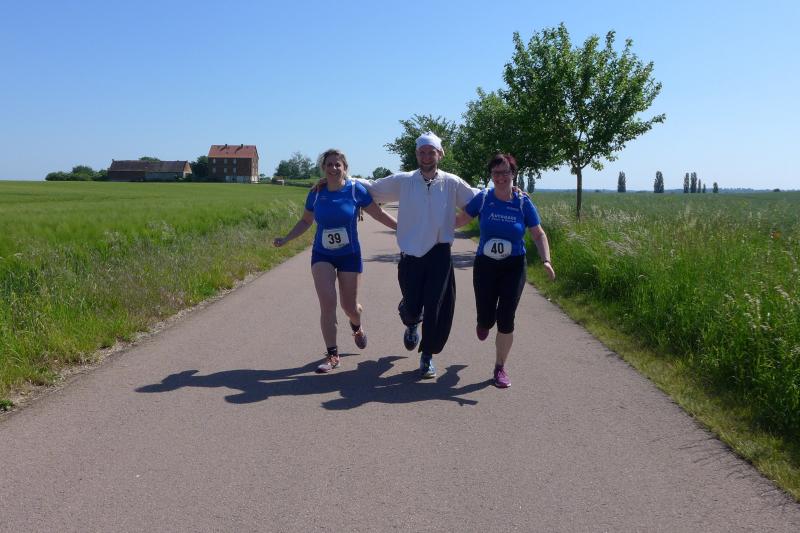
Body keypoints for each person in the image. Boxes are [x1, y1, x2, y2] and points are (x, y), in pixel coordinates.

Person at [354, 132, 477, 379]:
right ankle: (411, 323)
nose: (426, 156)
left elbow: (479, 198)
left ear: (440, 154)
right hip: (411, 254)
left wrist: (510, 190)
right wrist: (340, 178)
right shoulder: (404, 181)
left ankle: (427, 356)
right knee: (412, 306)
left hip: (439, 253)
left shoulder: (452, 182)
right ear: (417, 154)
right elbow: (372, 187)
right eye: (422, 152)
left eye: (431, 152)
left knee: (436, 307)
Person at [273, 149, 397, 373]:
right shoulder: (316, 193)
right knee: (327, 303)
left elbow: (377, 214)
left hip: (350, 255)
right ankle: (332, 355)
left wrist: (401, 228)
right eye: (329, 164)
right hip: (322, 255)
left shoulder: (355, 190)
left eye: (337, 164)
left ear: (345, 168)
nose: (333, 168)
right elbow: (305, 221)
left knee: (350, 307)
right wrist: (286, 238)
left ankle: (356, 326)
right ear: (323, 168)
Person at [455, 153, 556, 388]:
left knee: (506, 317)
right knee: (486, 317)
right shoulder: (483, 198)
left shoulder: (522, 202)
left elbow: (538, 234)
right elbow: (460, 220)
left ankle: (500, 367)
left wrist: (546, 260)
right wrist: (433, 228)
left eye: (505, 172)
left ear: (513, 174)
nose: (500, 177)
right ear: (491, 175)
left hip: (514, 265)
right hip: (486, 265)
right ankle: (483, 322)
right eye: (496, 173)